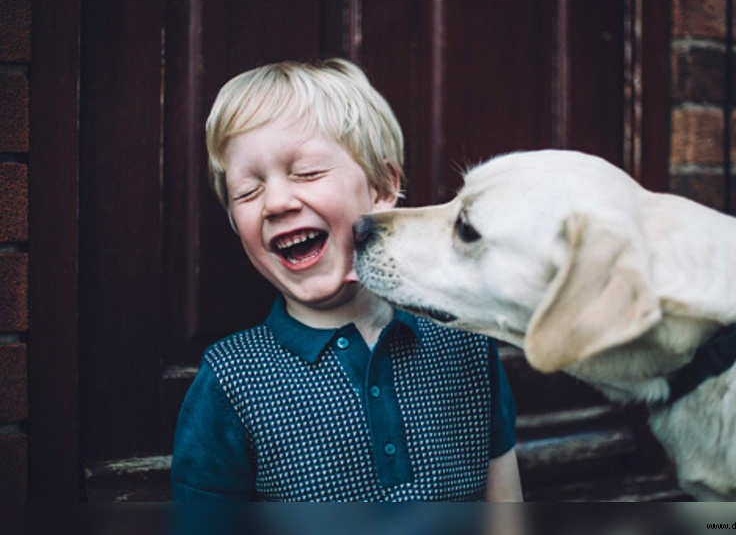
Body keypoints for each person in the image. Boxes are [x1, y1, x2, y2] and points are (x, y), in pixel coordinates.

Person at [171, 58, 522, 502]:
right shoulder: (230, 380)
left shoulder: (465, 342)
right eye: (249, 191)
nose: (276, 202)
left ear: (381, 189)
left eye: (307, 173)